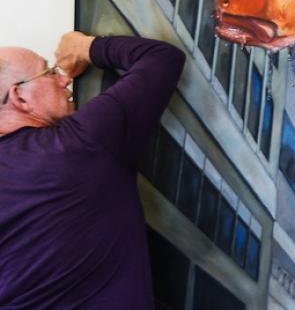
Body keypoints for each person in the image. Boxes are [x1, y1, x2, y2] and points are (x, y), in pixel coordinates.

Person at [0, 31, 185, 308]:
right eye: (49, 72)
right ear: (20, 97)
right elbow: (162, 58)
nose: (64, 79)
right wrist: (87, 47)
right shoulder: (78, 143)